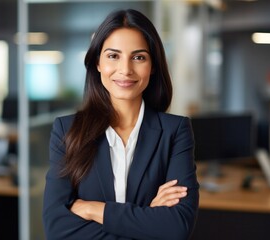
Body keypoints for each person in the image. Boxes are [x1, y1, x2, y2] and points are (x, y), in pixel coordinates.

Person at [43, 9, 199, 240]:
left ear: (153, 65)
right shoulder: (67, 131)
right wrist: (148, 219)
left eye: (138, 57)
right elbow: (57, 230)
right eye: (113, 56)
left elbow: (177, 227)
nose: (125, 70)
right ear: (97, 62)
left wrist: (92, 209)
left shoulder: (175, 131)